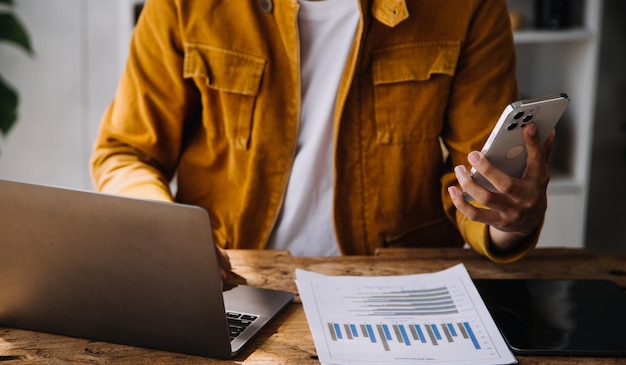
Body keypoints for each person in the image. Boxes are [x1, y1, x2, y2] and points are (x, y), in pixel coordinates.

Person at [91, 0, 552, 274]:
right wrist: (164, 232)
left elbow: (474, 183)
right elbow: (127, 152)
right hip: (229, 279)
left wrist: (509, 222)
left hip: (397, 285)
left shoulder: (467, 6)